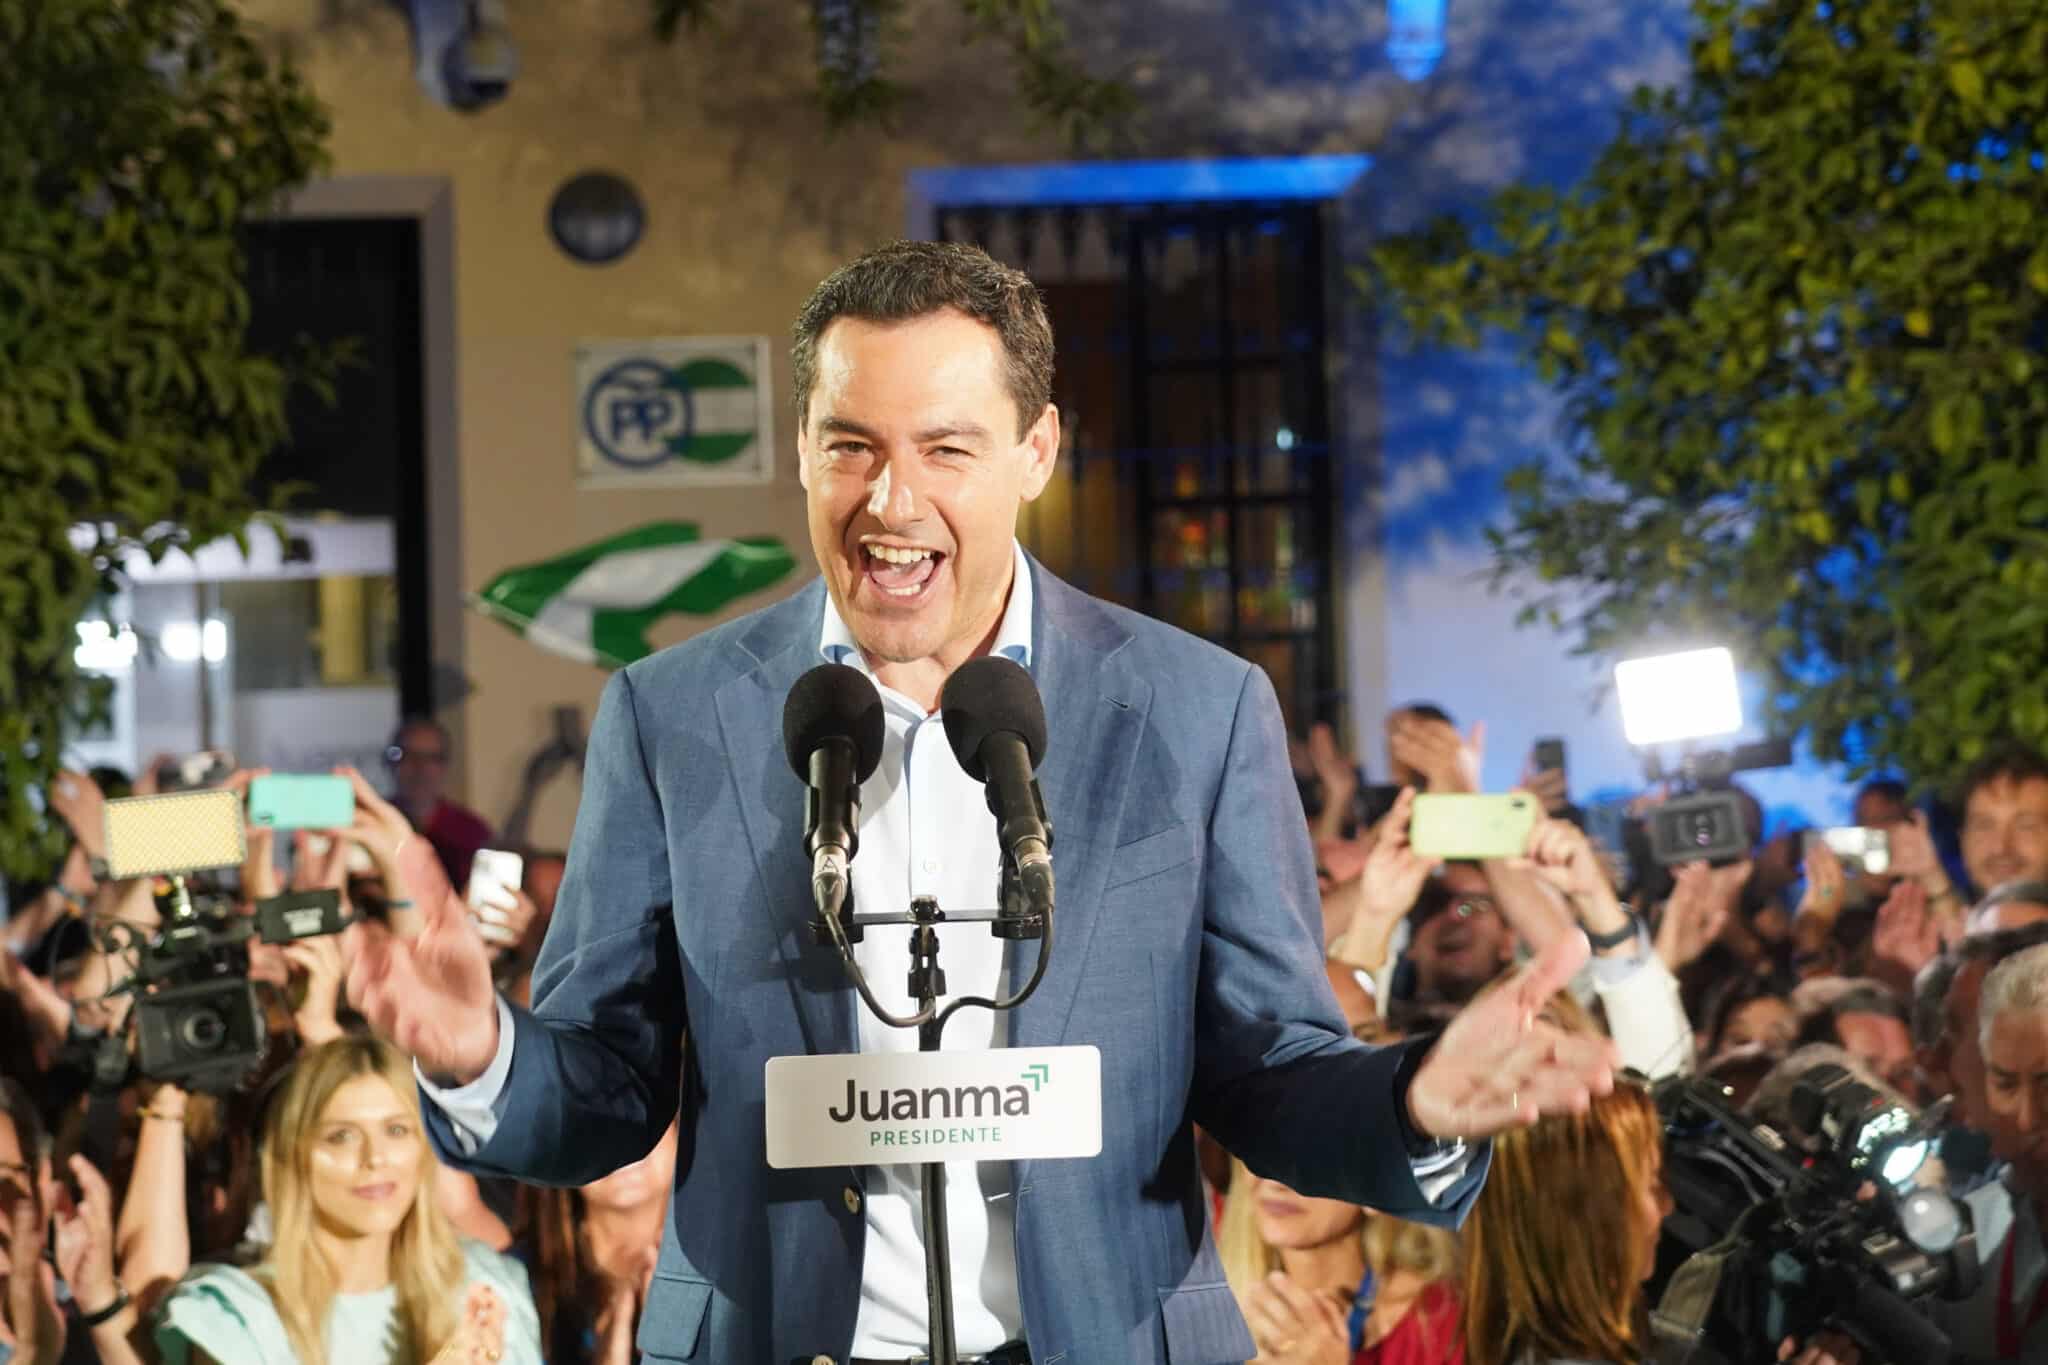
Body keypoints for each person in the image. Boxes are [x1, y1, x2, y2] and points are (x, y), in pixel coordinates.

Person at [347, 240, 1617, 1363]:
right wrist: (481, 1054)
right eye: (850, 446)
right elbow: (608, 1090)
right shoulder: (671, 714)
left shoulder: (1195, 707)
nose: (890, 502)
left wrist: (1414, 1105)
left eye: (944, 449)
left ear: (1034, 452)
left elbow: (1268, 1072)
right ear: (800, 448)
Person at [153, 1036, 541, 1365]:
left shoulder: (486, 1288)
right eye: (341, 1136)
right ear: (293, 1155)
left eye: (397, 1130)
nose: (375, 1158)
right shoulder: (236, 1314)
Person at [1219, 1157, 1460, 1365]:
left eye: (1315, 1150)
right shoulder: (1200, 1289)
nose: (1274, 1178)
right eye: (1261, 1143)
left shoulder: (1440, 1323)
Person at [521, 1122, 677, 1365]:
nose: (623, 1142)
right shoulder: (516, 1281)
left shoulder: (738, 1262)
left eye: (643, 1101)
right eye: (594, 1120)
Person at [385, 718, 495, 892]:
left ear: (445, 765)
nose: (420, 768)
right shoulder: (375, 822)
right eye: (409, 755)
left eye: (431, 758)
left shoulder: (472, 831)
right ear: (390, 762)